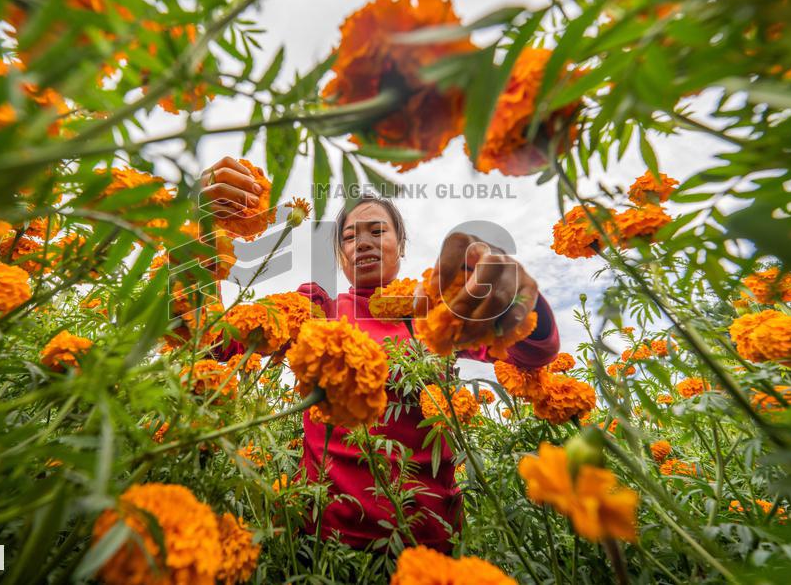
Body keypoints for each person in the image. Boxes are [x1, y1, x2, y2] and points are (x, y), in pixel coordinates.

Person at [199, 156, 560, 553]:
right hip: (324, 548)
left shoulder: (434, 312)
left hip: (427, 547)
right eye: (349, 237)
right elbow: (212, 341)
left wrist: (515, 294)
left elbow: (534, 351)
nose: (363, 242)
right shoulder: (317, 309)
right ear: (340, 255)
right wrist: (202, 230)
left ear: (400, 245)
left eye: (378, 230)